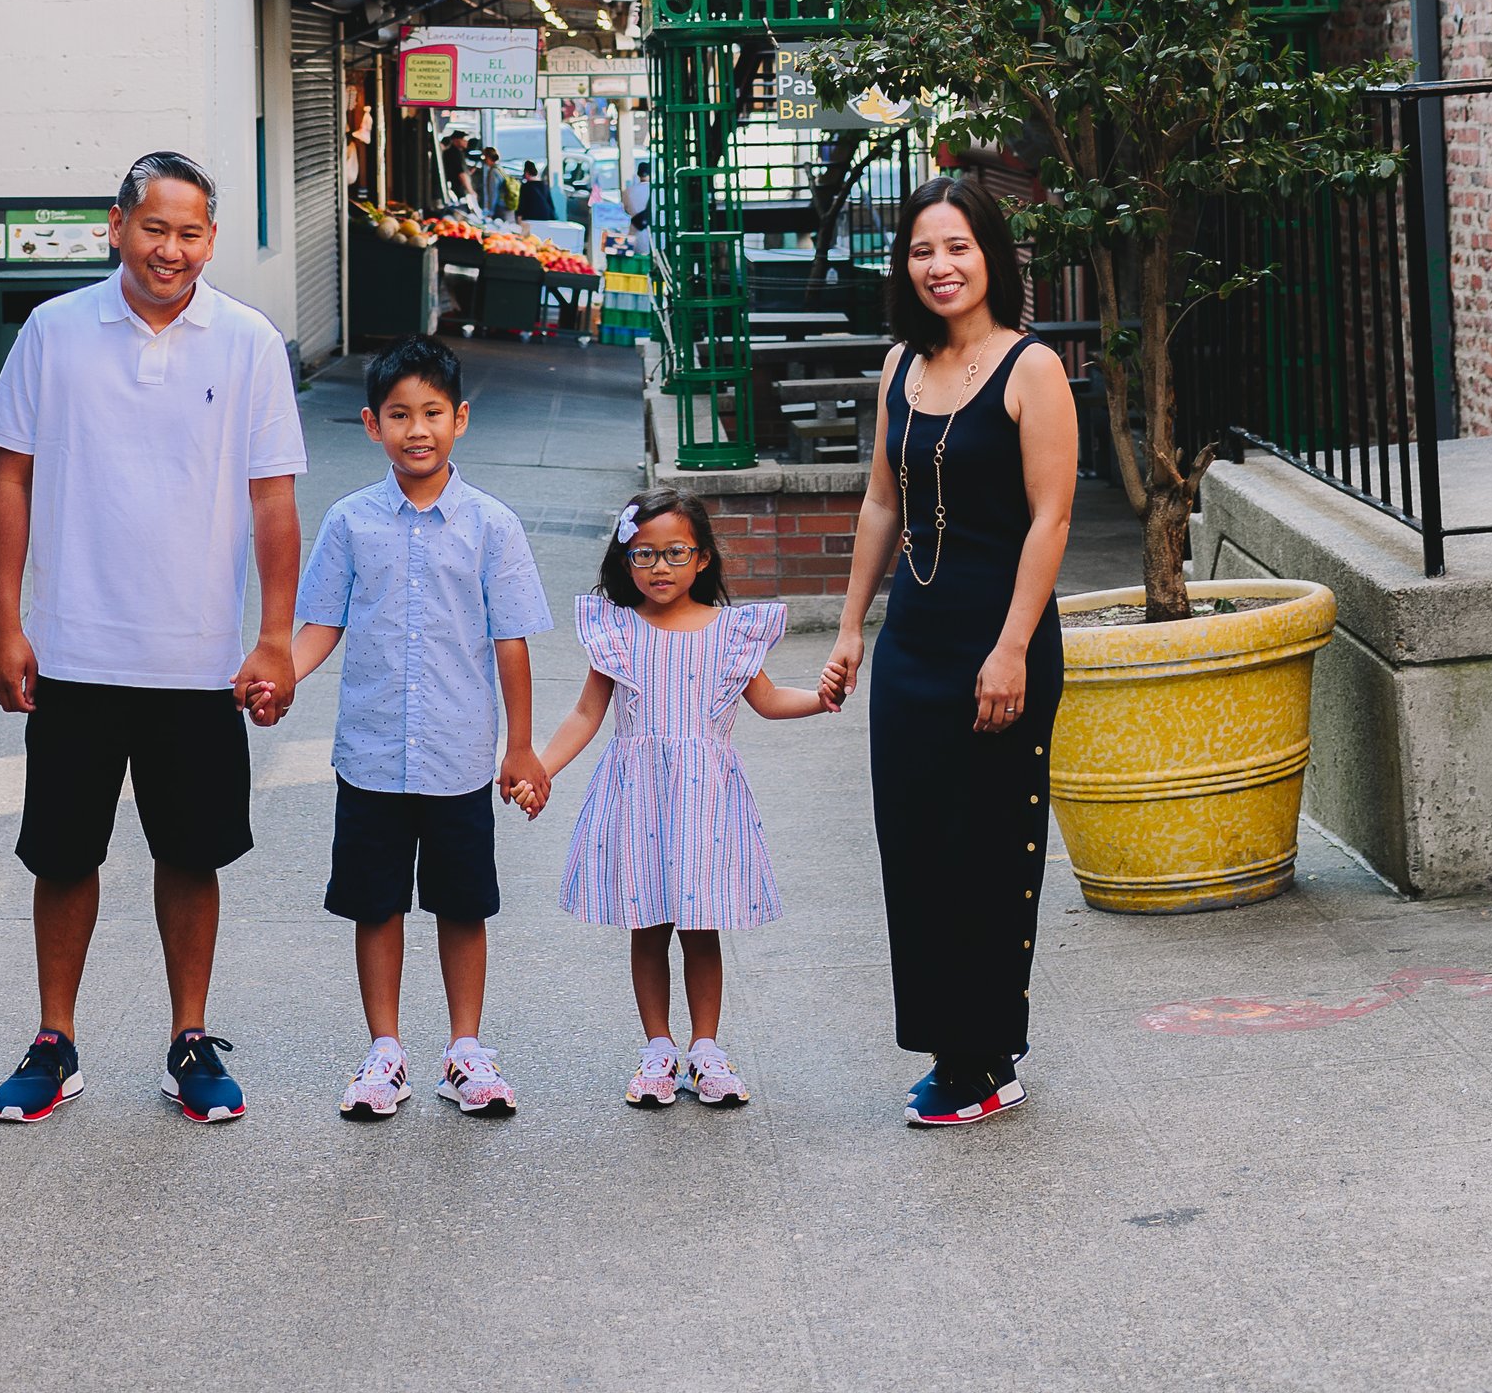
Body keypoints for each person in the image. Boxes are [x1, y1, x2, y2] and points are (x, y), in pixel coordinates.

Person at [0, 150, 305, 1130]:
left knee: (192, 853)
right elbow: (10, 480)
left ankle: (190, 1037)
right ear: (114, 226)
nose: (172, 249)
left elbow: (274, 498)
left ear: (211, 236)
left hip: (198, 657)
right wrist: (6, 623)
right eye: (154, 227)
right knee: (62, 854)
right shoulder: (54, 332)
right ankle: (53, 1039)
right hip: (75, 649)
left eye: (191, 231)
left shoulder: (247, 342)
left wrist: (275, 636)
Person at [820, 175, 1078, 1130]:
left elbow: (1051, 519)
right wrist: (852, 627)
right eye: (923, 250)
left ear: (992, 257)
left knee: (985, 848)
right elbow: (882, 501)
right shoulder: (902, 366)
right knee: (917, 849)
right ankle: (947, 1045)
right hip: (916, 645)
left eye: (958, 247)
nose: (940, 266)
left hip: (999, 639)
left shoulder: (1031, 370)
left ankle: (987, 1056)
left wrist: (1012, 647)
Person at [290, 335, 552, 1121]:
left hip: (459, 755)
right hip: (370, 754)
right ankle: (386, 1050)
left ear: (460, 418)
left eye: (432, 412)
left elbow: (511, 640)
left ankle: (465, 1051)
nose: (417, 429)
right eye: (399, 414)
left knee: (462, 903)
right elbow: (319, 624)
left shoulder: (491, 525)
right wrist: (279, 673)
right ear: (372, 425)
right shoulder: (348, 521)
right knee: (377, 903)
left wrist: (521, 745)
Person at [531, 491, 836, 1108]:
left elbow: (770, 700)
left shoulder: (731, 633)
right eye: (644, 554)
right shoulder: (615, 631)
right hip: (638, 794)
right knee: (648, 924)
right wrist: (540, 768)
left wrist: (823, 696)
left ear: (702, 559)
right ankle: (658, 1048)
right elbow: (587, 714)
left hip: (705, 801)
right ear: (625, 560)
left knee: (701, 928)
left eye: (675, 552)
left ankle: (706, 1049)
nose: (660, 566)